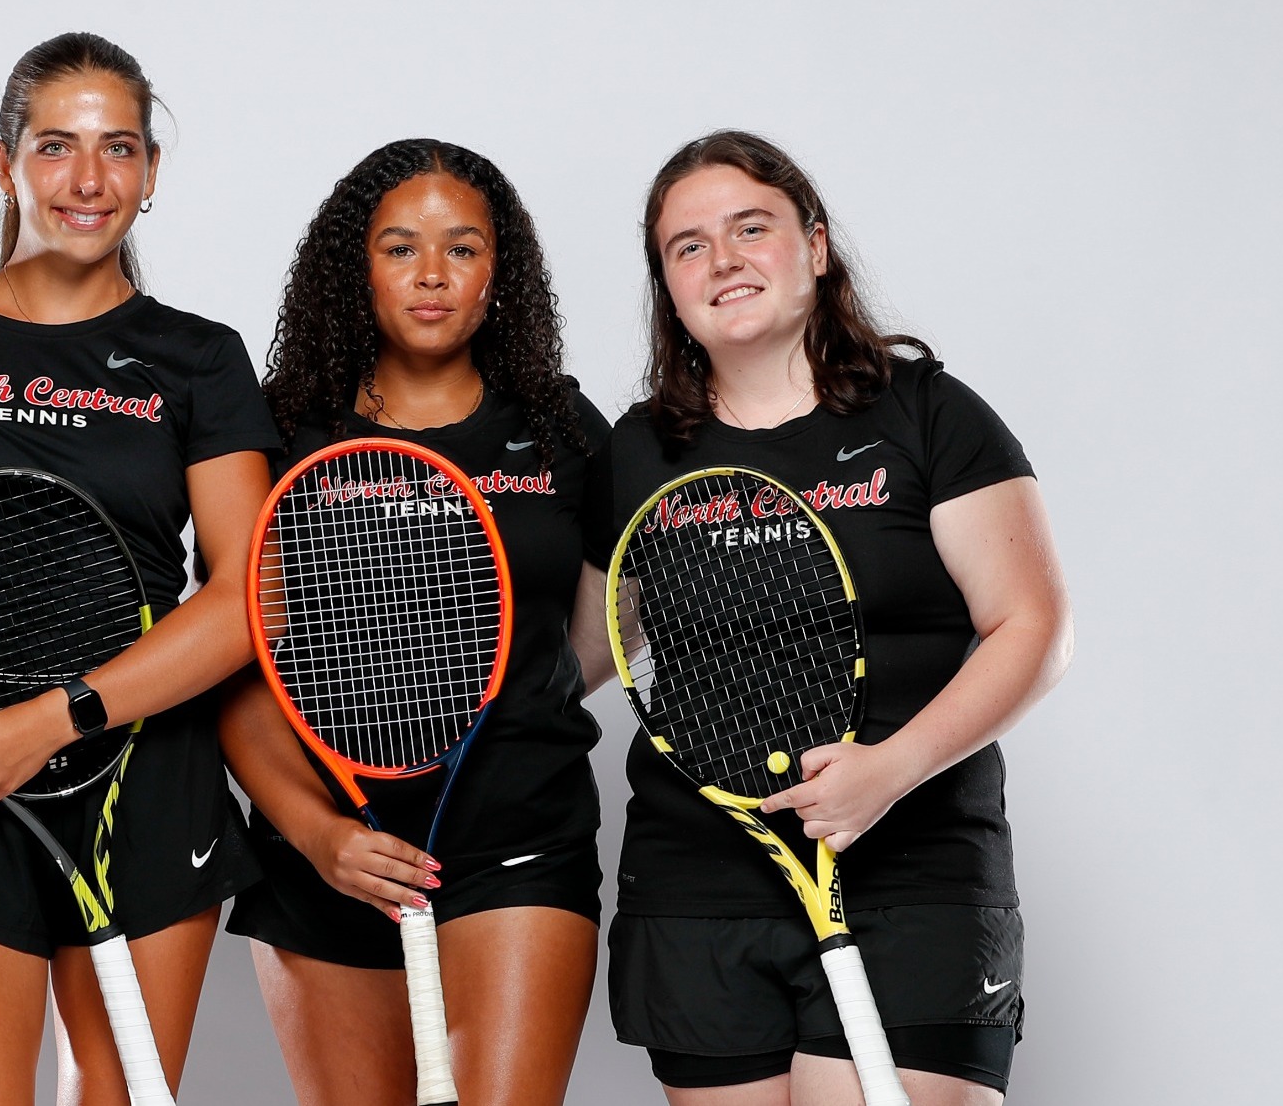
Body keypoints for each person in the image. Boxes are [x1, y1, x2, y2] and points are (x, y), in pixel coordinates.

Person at [592, 130, 1073, 1106]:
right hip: (697, 887)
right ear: (666, 286)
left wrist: (885, 773)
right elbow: (583, 651)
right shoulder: (638, 453)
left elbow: (1029, 627)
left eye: (749, 228)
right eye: (686, 246)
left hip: (914, 877)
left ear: (814, 246)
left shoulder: (927, 414)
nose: (720, 260)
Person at [0, 32, 278, 1106]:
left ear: (148, 173)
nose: (87, 181)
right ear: (4, 165)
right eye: (54, 146)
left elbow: (242, 598)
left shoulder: (199, 355)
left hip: (141, 777)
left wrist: (53, 719)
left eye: (119, 149)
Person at [221, 138, 615, 1106]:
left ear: (499, 273)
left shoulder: (562, 427)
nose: (431, 275)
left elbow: (604, 622)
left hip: (516, 840)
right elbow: (237, 667)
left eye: (462, 248)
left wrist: (515, 695)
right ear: (354, 270)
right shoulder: (280, 431)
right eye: (399, 248)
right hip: (325, 852)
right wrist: (318, 835)